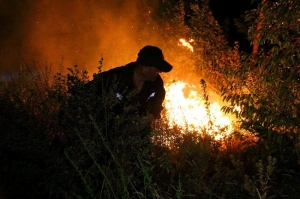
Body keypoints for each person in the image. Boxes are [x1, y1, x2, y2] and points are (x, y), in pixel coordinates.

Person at [87, 45, 173, 126]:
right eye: (157, 69)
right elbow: (85, 91)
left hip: (137, 134)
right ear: (144, 68)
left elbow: (157, 103)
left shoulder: (157, 83)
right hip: (106, 128)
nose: (160, 72)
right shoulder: (115, 77)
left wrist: (146, 120)